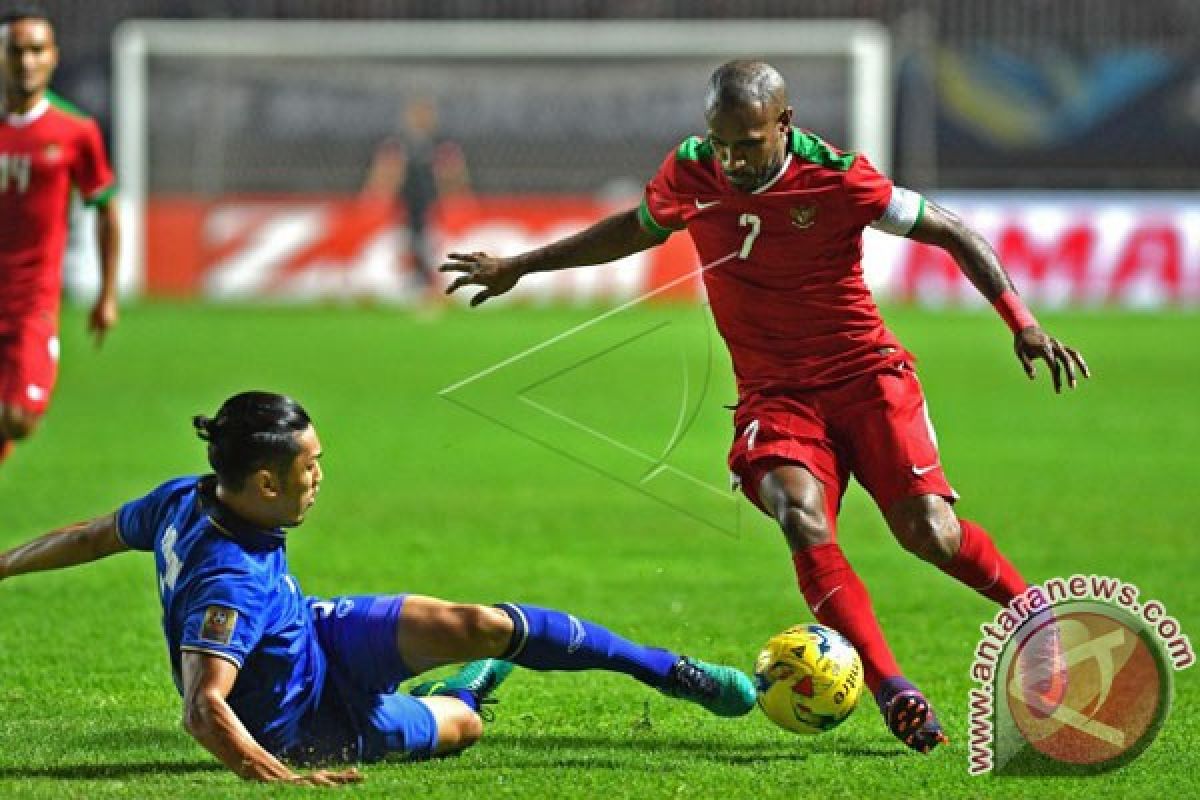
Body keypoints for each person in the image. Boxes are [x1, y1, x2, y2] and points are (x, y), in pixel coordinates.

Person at [442, 60, 1090, 754]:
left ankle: (1034, 614)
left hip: (866, 376)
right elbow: (635, 228)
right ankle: (891, 686)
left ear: (784, 124)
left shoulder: (841, 177)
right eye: (720, 142)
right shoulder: (692, 171)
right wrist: (520, 266)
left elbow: (953, 231)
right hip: (775, 395)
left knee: (927, 533)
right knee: (798, 511)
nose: (732, 159)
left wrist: (1021, 321)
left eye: (748, 143)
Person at [0, 391, 755, 785]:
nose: (320, 476)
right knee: (465, 727)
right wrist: (278, 777)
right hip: (310, 724)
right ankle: (464, 693)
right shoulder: (229, 583)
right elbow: (204, 708)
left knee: (478, 619)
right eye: (309, 468)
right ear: (264, 481)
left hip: (316, 635)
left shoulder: (182, 496)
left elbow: (92, 534)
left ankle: (668, 671)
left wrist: (4, 562)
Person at [0, 5, 120, 467]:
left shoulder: (74, 131)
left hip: (32, 299)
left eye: (36, 51)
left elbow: (106, 210)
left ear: (53, 57)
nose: (26, 62)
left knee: (19, 419)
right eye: (15, 51)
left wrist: (107, 294)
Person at [362, 96, 468, 306]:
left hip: (431, 209)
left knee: (429, 249)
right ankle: (412, 288)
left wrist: (457, 196)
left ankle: (430, 290)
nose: (421, 120)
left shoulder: (440, 143)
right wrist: (375, 195)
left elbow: (455, 173)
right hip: (404, 209)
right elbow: (384, 172)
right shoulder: (398, 143)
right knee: (407, 247)